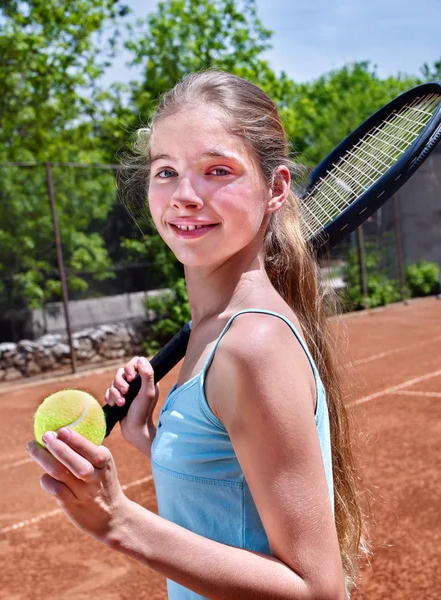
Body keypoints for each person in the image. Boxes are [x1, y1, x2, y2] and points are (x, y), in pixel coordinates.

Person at [26, 70, 367, 599]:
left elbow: (318, 591)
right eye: (166, 171)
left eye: (217, 170)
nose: (184, 195)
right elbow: (229, 505)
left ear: (275, 189)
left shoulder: (252, 343)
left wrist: (119, 520)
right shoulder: (215, 331)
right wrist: (151, 438)